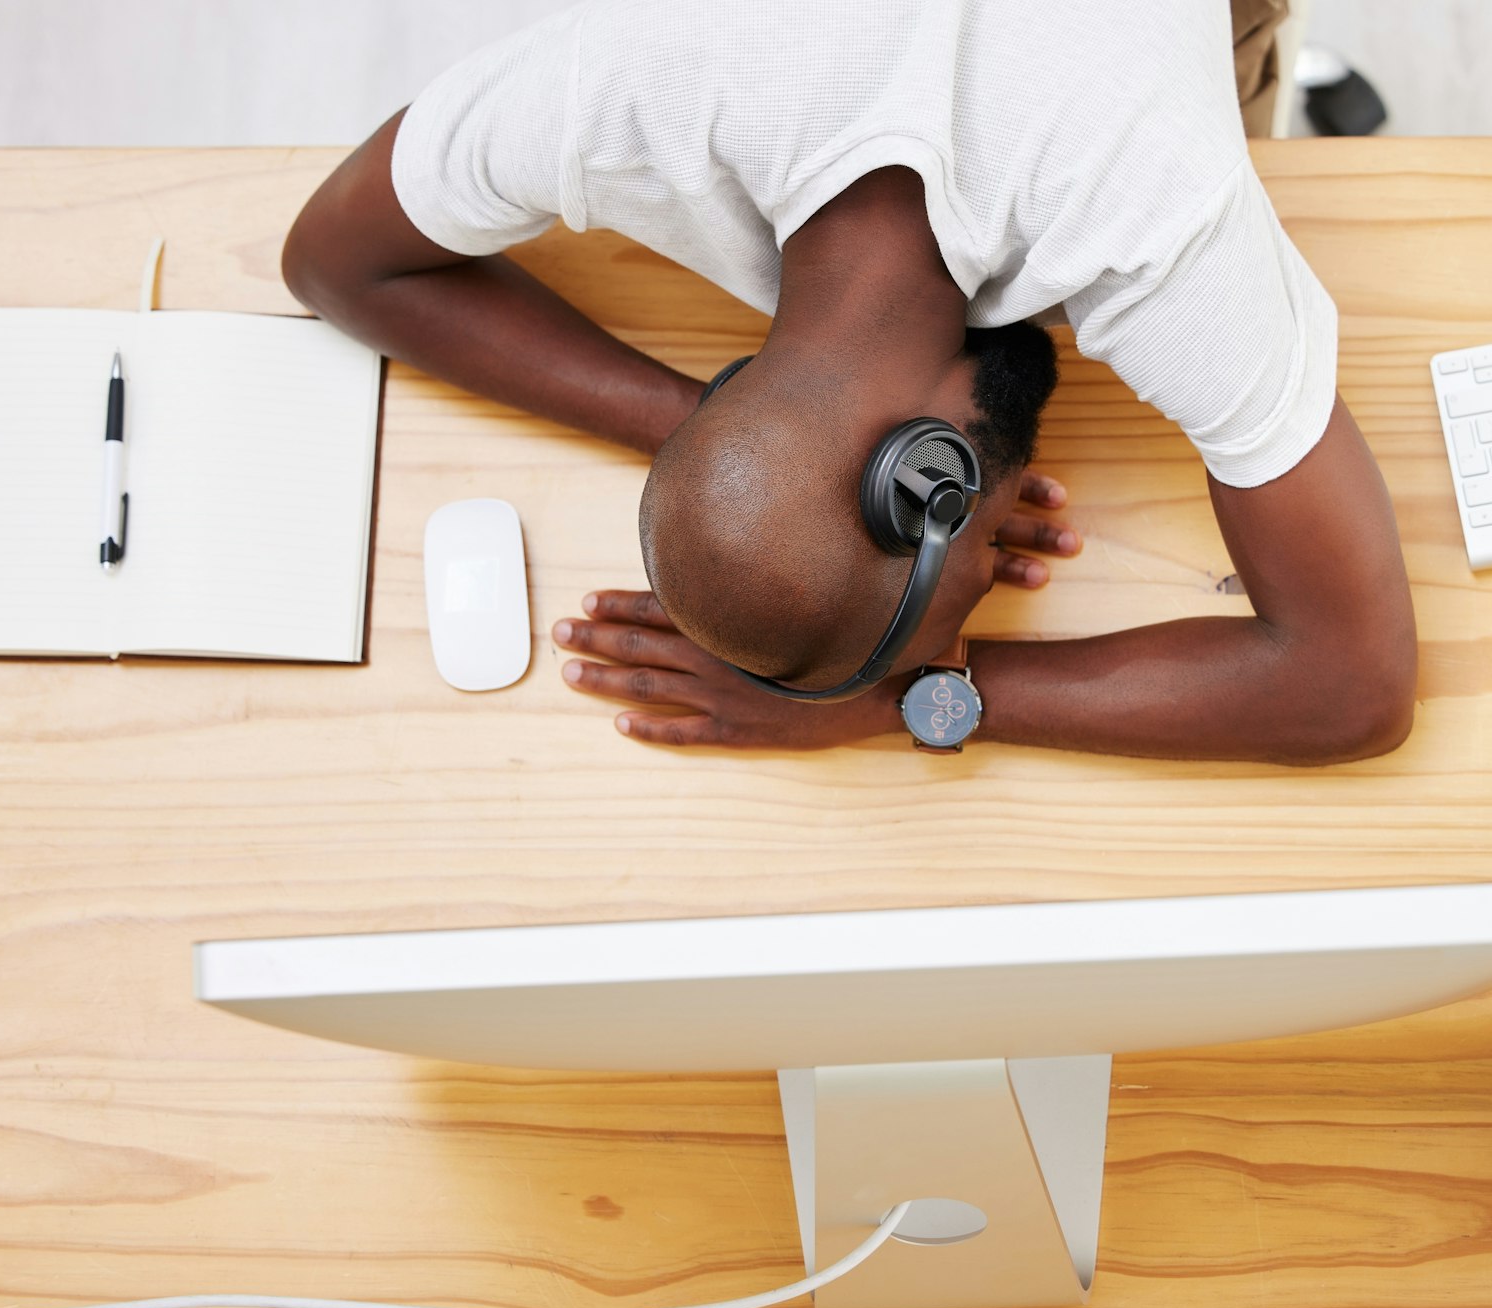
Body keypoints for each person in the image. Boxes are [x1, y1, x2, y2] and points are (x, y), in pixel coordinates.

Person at [282, 0, 1416, 761]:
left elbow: (1354, 685)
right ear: (931, 476)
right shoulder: (625, 78)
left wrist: (914, 702)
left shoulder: (1148, 208)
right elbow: (329, 256)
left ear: (930, 473)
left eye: (971, 590)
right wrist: (722, 446)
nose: (996, 567)